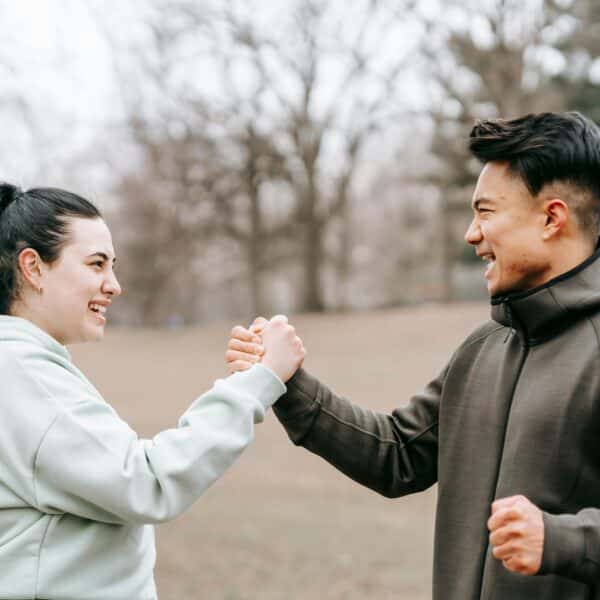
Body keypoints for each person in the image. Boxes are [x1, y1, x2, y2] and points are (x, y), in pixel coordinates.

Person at [227, 112, 600, 599]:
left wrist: (564, 542)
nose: (470, 234)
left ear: (552, 218)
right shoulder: (482, 349)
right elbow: (397, 455)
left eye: (485, 212)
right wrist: (286, 381)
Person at [0, 183, 305, 600]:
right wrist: (258, 381)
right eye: (96, 264)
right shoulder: (21, 373)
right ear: (33, 268)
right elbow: (146, 482)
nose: (114, 285)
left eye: (113, 266)